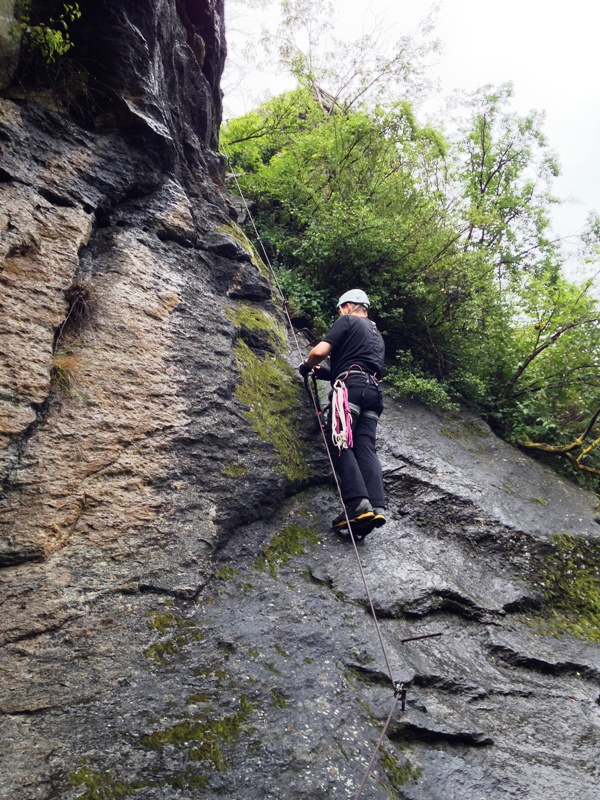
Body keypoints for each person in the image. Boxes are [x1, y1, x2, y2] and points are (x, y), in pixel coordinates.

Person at [298, 289, 386, 538]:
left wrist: (308, 366)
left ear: (348, 306)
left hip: (350, 390)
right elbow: (352, 364)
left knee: (338, 439)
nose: (339, 313)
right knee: (365, 448)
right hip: (373, 393)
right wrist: (323, 373)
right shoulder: (377, 335)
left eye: (339, 309)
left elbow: (318, 352)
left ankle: (357, 503)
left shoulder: (347, 320)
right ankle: (376, 505)